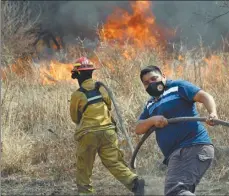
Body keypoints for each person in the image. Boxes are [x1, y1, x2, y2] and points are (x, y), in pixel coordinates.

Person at [135, 65, 217, 196]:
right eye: (146, 83)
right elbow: (138, 128)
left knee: (175, 191)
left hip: (192, 147)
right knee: (179, 192)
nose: (151, 84)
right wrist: (152, 120)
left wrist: (212, 113)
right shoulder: (150, 104)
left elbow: (204, 96)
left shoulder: (177, 87)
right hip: (176, 154)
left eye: (154, 79)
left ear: (163, 77)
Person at [69, 57, 145, 195]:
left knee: (84, 167)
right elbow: (109, 106)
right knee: (113, 161)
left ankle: (85, 193)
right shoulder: (102, 89)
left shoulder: (77, 95)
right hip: (108, 132)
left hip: (88, 134)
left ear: (77, 74)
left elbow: (75, 118)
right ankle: (134, 182)